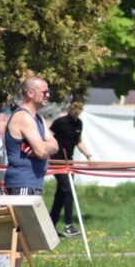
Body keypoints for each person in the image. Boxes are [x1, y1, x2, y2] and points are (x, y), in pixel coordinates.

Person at [4, 75, 59, 196]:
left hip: (33, 184)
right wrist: (43, 148)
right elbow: (41, 152)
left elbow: (55, 145)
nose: (48, 95)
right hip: (22, 185)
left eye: (48, 92)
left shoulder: (38, 118)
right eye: (44, 92)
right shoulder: (23, 117)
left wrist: (43, 148)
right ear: (30, 93)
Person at [49, 101, 92, 238]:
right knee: (69, 190)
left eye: (79, 108)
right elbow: (48, 136)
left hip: (69, 162)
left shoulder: (79, 124)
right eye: (74, 108)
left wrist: (88, 155)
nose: (77, 110)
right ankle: (69, 226)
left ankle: (50, 226)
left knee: (61, 195)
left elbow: (78, 141)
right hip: (57, 161)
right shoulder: (60, 122)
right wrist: (48, 152)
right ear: (70, 108)